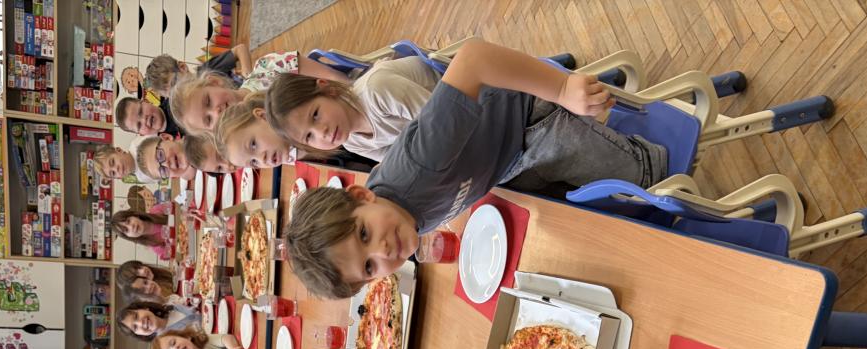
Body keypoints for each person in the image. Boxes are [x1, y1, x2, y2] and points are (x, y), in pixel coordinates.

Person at [284, 38, 667, 299]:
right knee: (582, 221)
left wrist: (562, 89)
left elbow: (474, 59)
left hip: (530, 117)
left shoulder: (422, 161)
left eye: (364, 233)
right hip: (506, 159)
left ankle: (660, 164)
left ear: (361, 195)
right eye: (369, 267)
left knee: (647, 180)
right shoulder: (396, 217)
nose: (383, 251)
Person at [265, 58, 439, 162]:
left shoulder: (377, 91)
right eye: (309, 136)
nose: (321, 132)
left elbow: (442, 119)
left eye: (315, 115)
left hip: (450, 95)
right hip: (435, 133)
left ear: (327, 89)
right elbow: (400, 161)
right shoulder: (353, 143)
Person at [171, 52, 350, 134]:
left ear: (214, 82)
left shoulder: (267, 68)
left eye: (208, 101)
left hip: (350, 105)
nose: (215, 111)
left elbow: (337, 79)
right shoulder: (252, 137)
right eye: (209, 119)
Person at [217, 94, 299, 170]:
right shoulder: (295, 150)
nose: (262, 159)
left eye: (253, 145)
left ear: (263, 116)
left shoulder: (302, 116)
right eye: (254, 162)